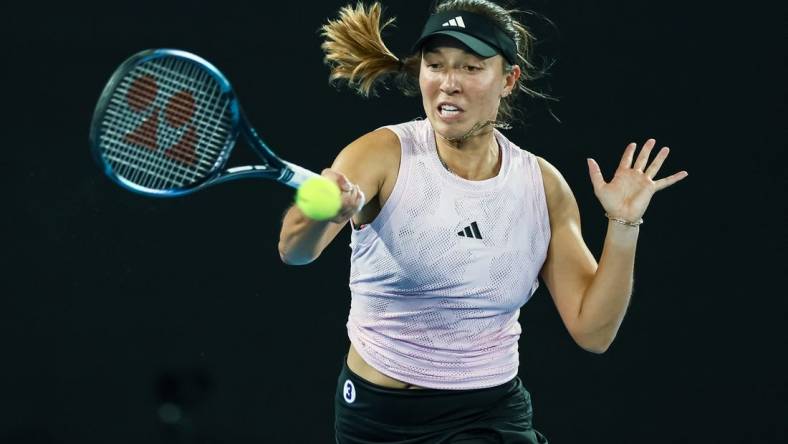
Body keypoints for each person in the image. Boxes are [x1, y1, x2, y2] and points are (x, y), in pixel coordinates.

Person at [278, 1, 688, 442]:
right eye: (435, 66)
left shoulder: (542, 186)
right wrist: (320, 212)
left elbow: (594, 332)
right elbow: (295, 251)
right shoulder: (381, 154)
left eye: (471, 68)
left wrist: (623, 225)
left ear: (508, 79)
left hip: (488, 415)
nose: (448, 84)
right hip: (380, 419)